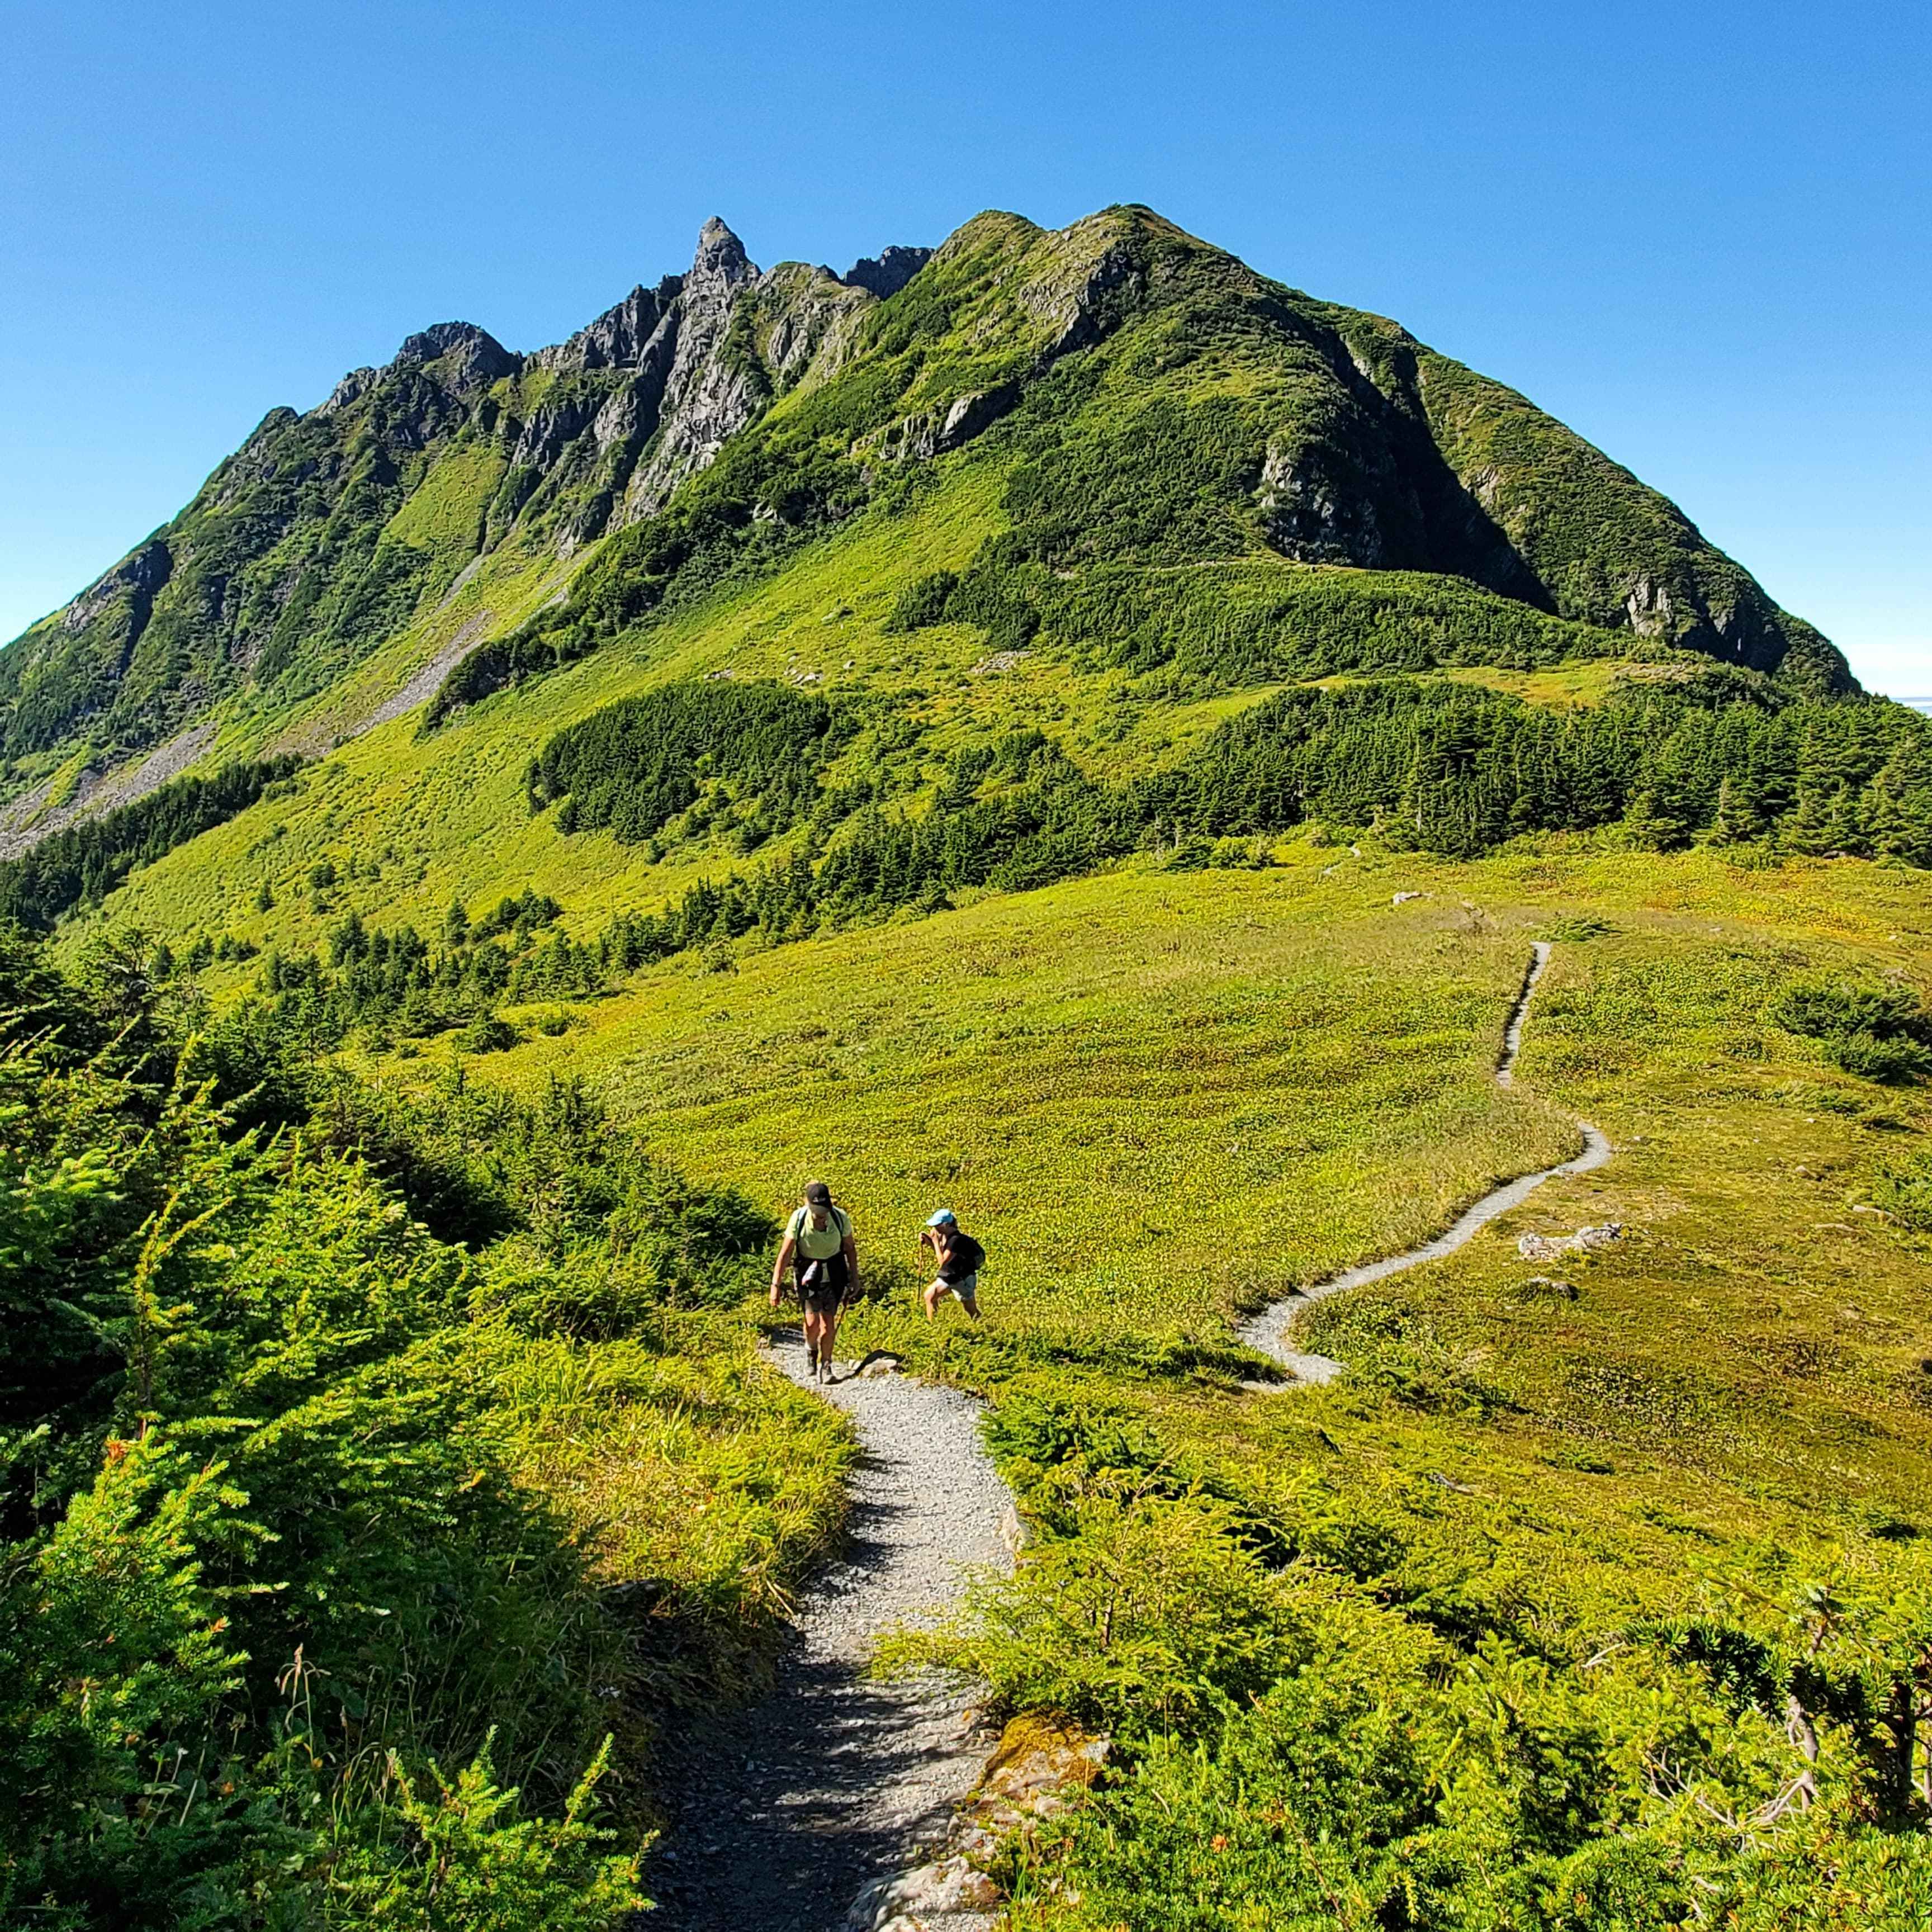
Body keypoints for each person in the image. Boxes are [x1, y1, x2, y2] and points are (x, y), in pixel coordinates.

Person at [771, 1181, 860, 1384]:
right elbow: (785, 1254)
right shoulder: (799, 1218)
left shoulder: (839, 1217)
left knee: (828, 1323)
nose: (821, 1215)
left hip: (835, 1273)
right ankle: (811, 1351)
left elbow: (850, 1248)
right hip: (807, 1274)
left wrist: (855, 1277)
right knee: (812, 1323)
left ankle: (826, 1366)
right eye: (818, 1210)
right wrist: (775, 1285)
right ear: (809, 1205)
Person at [918, 1209, 984, 1320]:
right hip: (950, 1277)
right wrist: (929, 1241)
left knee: (971, 1311)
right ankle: (933, 1327)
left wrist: (935, 1242)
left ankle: (984, 1328)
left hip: (962, 1280)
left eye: (937, 1225)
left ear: (946, 1225)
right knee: (929, 1296)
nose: (935, 1229)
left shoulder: (956, 1240)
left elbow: (943, 1262)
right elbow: (942, 1255)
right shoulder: (946, 1237)